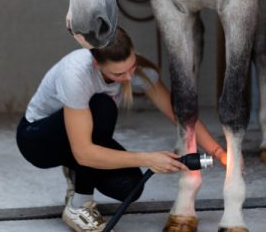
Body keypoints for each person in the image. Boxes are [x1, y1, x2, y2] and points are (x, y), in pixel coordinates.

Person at [16, 27, 227, 232]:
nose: (128, 77)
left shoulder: (135, 69)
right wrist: (148, 159)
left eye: (131, 67)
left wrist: (219, 152)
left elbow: (180, 115)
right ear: (97, 64)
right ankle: (79, 206)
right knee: (103, 106)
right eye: (118, 74)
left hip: (79, 139)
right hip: (37, 140)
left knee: (129, 186)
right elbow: (85, 153)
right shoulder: (76, 74)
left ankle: (74, 171)